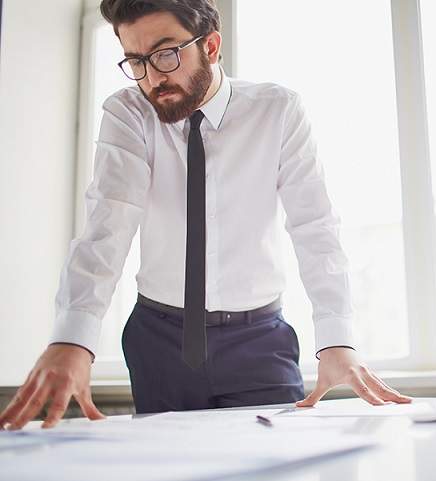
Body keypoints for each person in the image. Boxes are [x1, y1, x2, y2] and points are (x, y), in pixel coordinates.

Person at [0, 0, 411, 430]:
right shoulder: (128, 112)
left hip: (259, 340)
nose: (153, 77)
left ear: (211, 45)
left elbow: (315, 228)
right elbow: (109, 222)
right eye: (136, 61)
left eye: (165, 54)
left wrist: (337, 341)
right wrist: (73, 339)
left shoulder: (278, 110)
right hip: (157, 340)